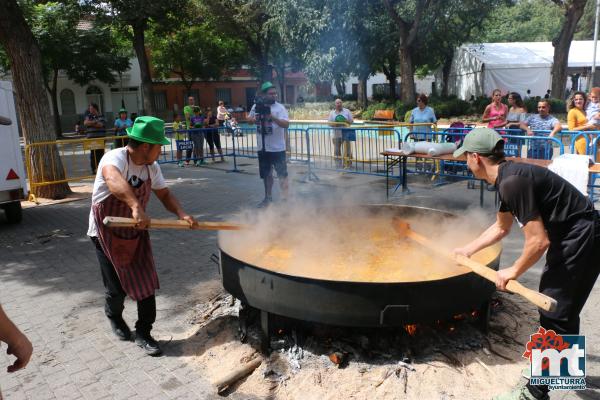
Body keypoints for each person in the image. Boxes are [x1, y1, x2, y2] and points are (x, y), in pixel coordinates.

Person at [452, 128, 600, 400]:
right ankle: (557, 376)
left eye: (466, 158)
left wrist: (513, 272)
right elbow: (500, 227)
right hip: (574, 235)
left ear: (476, 157)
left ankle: (536, 392)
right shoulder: (508, 177)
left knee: (556, 310)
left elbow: (538, 242)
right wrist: (467, 250)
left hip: (581, 236)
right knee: (561, 309)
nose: (465, 163)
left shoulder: (512, 182)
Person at [87, 116, 196, 356]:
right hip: (105, 234)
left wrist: (181, 213)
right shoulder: (114, 158)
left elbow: (165, 195)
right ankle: (113, 315)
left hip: (136, 234)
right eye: (159, 145)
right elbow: (113, 181)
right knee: (117, 290)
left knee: (146, 284)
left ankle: (144, 332)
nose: (161, 150)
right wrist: (135, 206)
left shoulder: (151, 167)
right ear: (146, 146)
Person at [247, 81, 290, 208]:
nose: (274, 96)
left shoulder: (280, 108)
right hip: (263, 148)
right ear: (264, 94)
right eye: (271, 94)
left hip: (278, 149)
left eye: (275, 93)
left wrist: (272, 117)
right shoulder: (256, 107)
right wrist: (253, 120)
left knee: (282, 175)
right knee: (266, 174)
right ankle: (268, 198)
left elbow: (286, 124)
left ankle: (285, 200)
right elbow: (248, 120)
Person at [328, 98, 354, 168]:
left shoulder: (347, 111)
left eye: (340, 103)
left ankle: (348, 164)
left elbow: (351, 121)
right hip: (336, 134)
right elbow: (329, 124)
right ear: (335, 104)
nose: (339, 104)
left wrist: (345, 121)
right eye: (337, 103)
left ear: (342, 104)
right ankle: (338, 165)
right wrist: (335, 124)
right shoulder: (332, 113)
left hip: (346, 133)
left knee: (348, 150)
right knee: (337, 150)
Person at [567, 91, 595, 155]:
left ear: (584, 100)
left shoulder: (586, 111)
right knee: (586, 163)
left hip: (592, 141)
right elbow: (571, 130)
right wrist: (587, 127)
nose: (578, 101)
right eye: (576, 99)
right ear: (573, 101)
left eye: (580, 99)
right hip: (582, 142)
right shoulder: (572, 112)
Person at [84, 103, 107, 174]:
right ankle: (94, 170)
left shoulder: (101, 116)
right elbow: (85, 123)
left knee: (100, 154)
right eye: (90, 109)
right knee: (93, 155)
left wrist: (91, 123)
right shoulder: (88, 116)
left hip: (100, 139)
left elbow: (101, 125)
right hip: (91, 139)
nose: (90, 110)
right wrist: (95, 122)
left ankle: (100, 169)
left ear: (95, 109)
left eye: (91, 109)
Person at [183, 97, 196, 164]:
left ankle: (196, 160)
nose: (191, 101)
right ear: (188, 101)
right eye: (190, 100)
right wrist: (195, 116)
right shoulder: (186, 108)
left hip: (197, 128)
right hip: (190, 129)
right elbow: (188, 117)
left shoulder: (197, 107)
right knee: (190, 144)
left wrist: (194, 116)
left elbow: (200, 116)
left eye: (192, 100)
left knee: (196, 145)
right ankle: (187, 160)